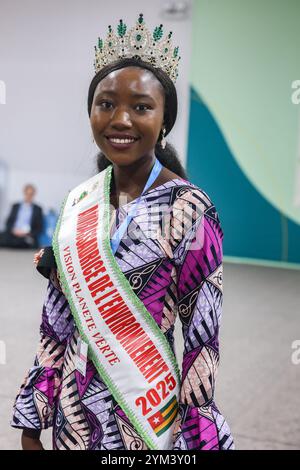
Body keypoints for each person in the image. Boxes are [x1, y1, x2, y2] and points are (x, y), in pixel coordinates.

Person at [11, 14, 234, 450]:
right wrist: (32, 418)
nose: (121, 119)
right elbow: (56, 324)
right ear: (90, 113)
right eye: (106, 103)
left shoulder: (190, 210)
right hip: (73, 418)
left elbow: (201, 338)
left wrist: (195, 438)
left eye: (141, 107)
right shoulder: (79, 203)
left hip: (147, 417)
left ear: (164, 118)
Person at [0, 183, 43, 249]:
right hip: (14, 233)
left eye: (31, 194)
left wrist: (27, 233)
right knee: (3, 236)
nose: (28, 196)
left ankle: (16, 243)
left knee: (27, 241)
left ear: (34, 194)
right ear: (24, 193)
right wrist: (13, 230)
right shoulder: (15, 206)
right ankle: (15, 243)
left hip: (27, 234)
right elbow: (8, 222)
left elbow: (39, 228)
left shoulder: (38, 209)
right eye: (27, 194)